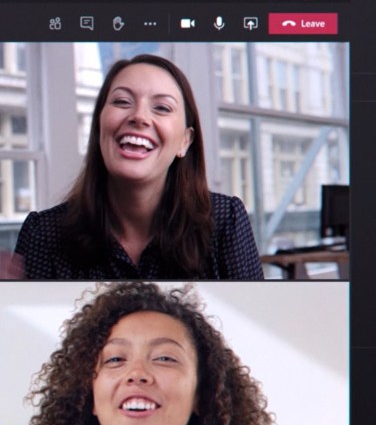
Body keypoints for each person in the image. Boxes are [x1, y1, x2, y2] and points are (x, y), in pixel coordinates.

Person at [0, 282, 274, 425]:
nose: (137, 374)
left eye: (164, 358)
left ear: (201, 395)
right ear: (90, 397)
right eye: (116, 359)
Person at [14, 54, 263, 280]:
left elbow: (257, 325)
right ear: (100, 126)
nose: (139, 117)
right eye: (122, 101)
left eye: (162, 108)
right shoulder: (43, 234)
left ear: (184, 141)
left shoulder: (225, 222)